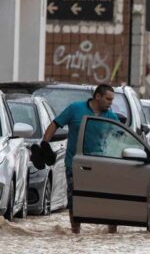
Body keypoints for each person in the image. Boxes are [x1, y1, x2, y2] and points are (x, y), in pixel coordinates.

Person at [42, 84, 120, 234]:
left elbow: (121, 138)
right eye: (108, 99)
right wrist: (44, 144)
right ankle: (75, 233)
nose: (111, 102)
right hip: (75, 163)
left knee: (108, 199)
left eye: (112, 100)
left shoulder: (111, 117)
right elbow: (55, 125)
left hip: (102, 164)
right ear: (97, 96)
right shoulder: (75, 109)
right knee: (74, 199)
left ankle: (112, 234)